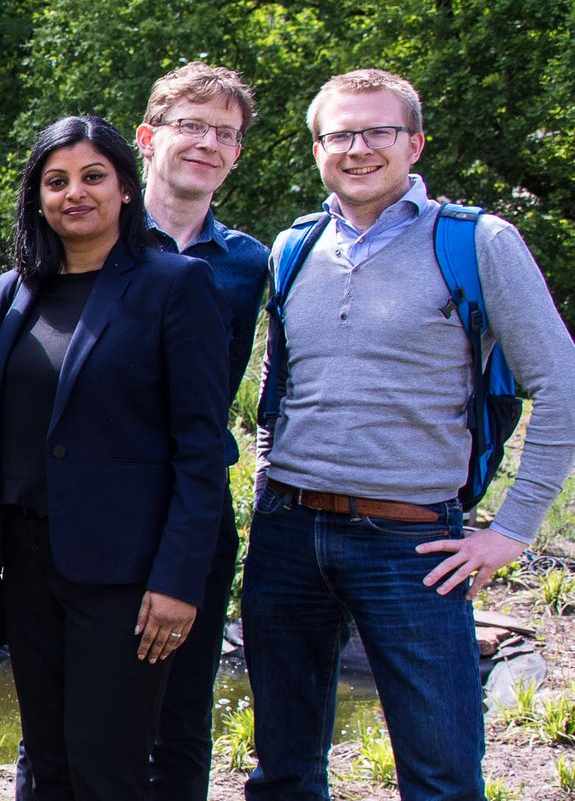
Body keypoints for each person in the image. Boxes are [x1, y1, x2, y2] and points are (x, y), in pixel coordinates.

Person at [244, 68, 575, 801]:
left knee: (441, 776)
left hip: (412, 545)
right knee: (283, 773)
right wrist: (270, 477)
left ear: (415, 143)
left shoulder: (478, 242)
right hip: (288, 537)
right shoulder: (292, 247)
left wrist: (514, 530)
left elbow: (562, 383)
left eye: (378, 131)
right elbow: (278, 384)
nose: (358, 148)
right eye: (340, 134)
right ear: (318, 148)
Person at [0, 115, 229, 801]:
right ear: (37, 196)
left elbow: (200, 452)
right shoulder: (15, 290)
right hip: (29, 561)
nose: (73, 193)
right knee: (48, 761)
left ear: (127, 189)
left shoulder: (178, 284)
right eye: (56, 181)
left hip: (129, 576)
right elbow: (1, 432)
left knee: (106, 767)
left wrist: (179, 579)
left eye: (92, 176)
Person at [135, 63, 268, 800]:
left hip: (196, 508)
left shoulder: (248, 262)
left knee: (182, 716)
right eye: (192, 125)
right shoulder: (100, 241)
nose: (208, 143)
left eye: (226, 133)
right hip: (100, 504)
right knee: (72, 710)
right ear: (149, 137)